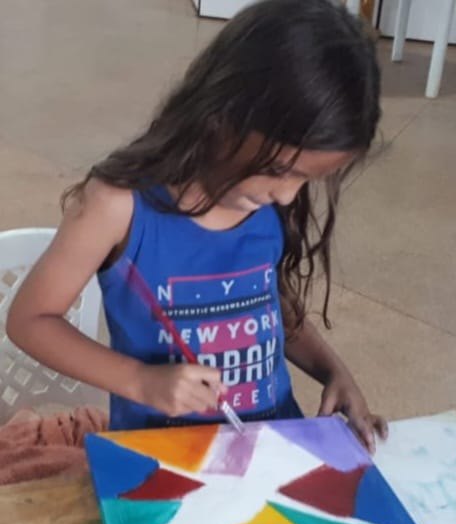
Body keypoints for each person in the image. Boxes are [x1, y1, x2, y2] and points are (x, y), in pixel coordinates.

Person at [7, 0, 387, 452]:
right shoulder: (118, 205)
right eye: (280, 170)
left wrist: (333, 370)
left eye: (306, 180)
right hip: (163, 458)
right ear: (222, 115)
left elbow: (265, 302)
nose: (288, 195)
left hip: (269, 447)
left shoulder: (264, 198)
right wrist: (142, 381)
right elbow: (29, 320)